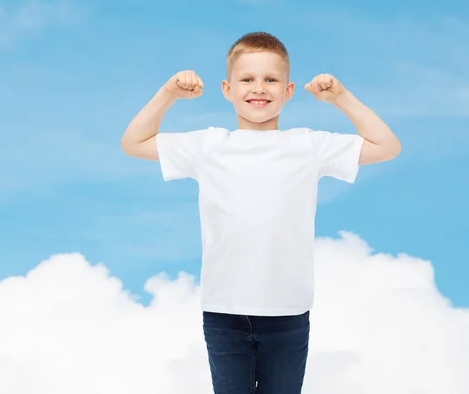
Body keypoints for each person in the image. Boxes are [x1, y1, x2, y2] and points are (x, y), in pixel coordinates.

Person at [120, 32, 401, 394]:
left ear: (288, 90)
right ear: (227, 88)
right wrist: (168, 94)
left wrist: (340, 98)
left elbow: (387, 146)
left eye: (271, 80)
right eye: (247, 79)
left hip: (288, 313)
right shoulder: (208, 145)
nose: (260, 88)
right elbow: (133, 142)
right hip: (224, 311)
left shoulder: (307, 145)